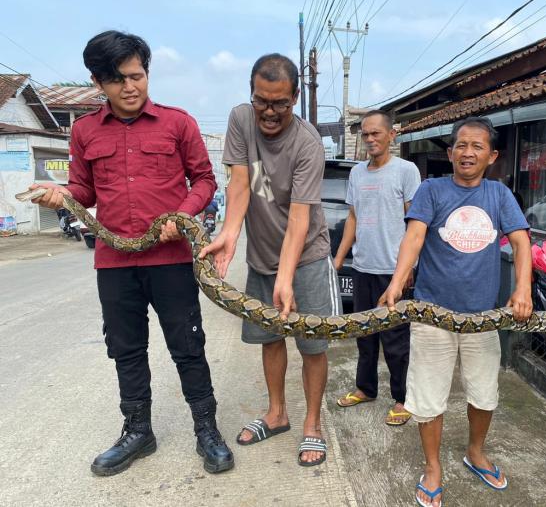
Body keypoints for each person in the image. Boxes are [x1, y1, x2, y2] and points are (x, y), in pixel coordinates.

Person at [28, 31, 233, 475]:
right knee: (126, 349)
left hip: (171, 260)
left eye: (137, 76)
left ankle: (207, 430)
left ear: (146, 72)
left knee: (188, 345)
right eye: (118, 80)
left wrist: (182, 214)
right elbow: (83, 188)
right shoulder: (84, 131)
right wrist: (60, 195)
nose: (131, 87)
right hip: (115, 262)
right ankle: (138, 431)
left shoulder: (178, 123)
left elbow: (204, 180)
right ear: (98, 82)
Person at [379, 117, 532, 507]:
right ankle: (432, 467)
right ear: (450, 153)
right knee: (429, 397)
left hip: (483, 317)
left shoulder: (499, 195)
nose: (467, 152)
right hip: (432, 313)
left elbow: (521, 242)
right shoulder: (432, 189)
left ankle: (476, 453)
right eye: (461, 145)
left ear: (492, 156)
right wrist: (397, 282)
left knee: (484, 393)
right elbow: (414, 237)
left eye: (477, 146)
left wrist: (522, 288)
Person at [199, 53, 340, 467]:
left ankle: (312, 424)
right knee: (269, 339)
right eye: (262, 100)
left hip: (308, 259)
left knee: (313, 345)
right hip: (261, 257)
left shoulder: (308, 143)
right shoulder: (241, 120)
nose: (270, 112)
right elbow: (239, 183)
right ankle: (277, 413)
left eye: (280, 103)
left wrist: (287, 275)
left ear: (295, 98)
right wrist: (228, 234)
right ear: (251, 93)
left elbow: (300, 217)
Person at [333, 110, 421, 426]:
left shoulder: (406, 171)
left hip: (394, 270)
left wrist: (409, 266)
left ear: (391, 135)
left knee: (396, 339)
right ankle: (365, 388)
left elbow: (416, 223)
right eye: (365, 134)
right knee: (363, 333)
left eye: (376, 133)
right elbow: (353, 218)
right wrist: (340, 258)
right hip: (364, 267)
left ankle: (403, 398)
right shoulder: (357, 173)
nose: (370, 139)